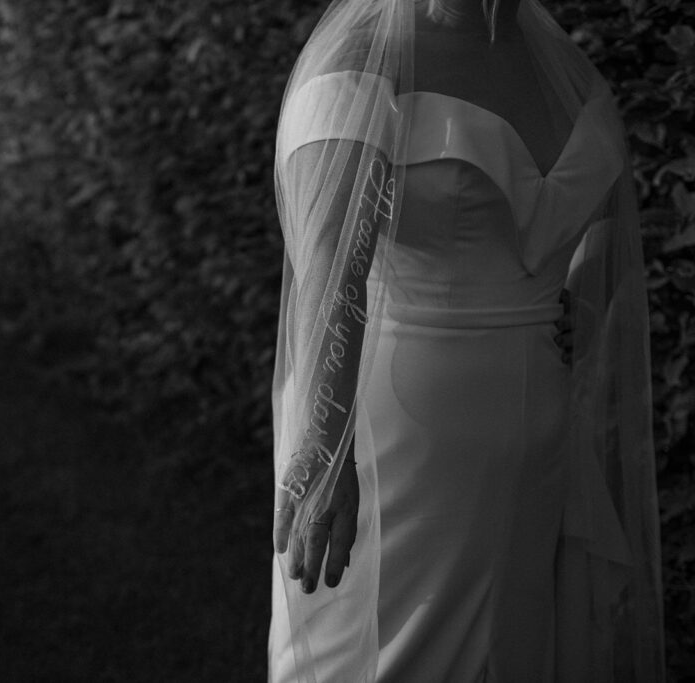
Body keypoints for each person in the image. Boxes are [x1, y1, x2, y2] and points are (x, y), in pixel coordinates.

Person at [267, 0, 664, 680]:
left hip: (541, 437)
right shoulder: (362, 61)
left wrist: (580, 299)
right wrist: (324, 447)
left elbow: (595, 239)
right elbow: (334, 271)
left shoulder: (564, 71)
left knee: (514, 649)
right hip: (403, 441)